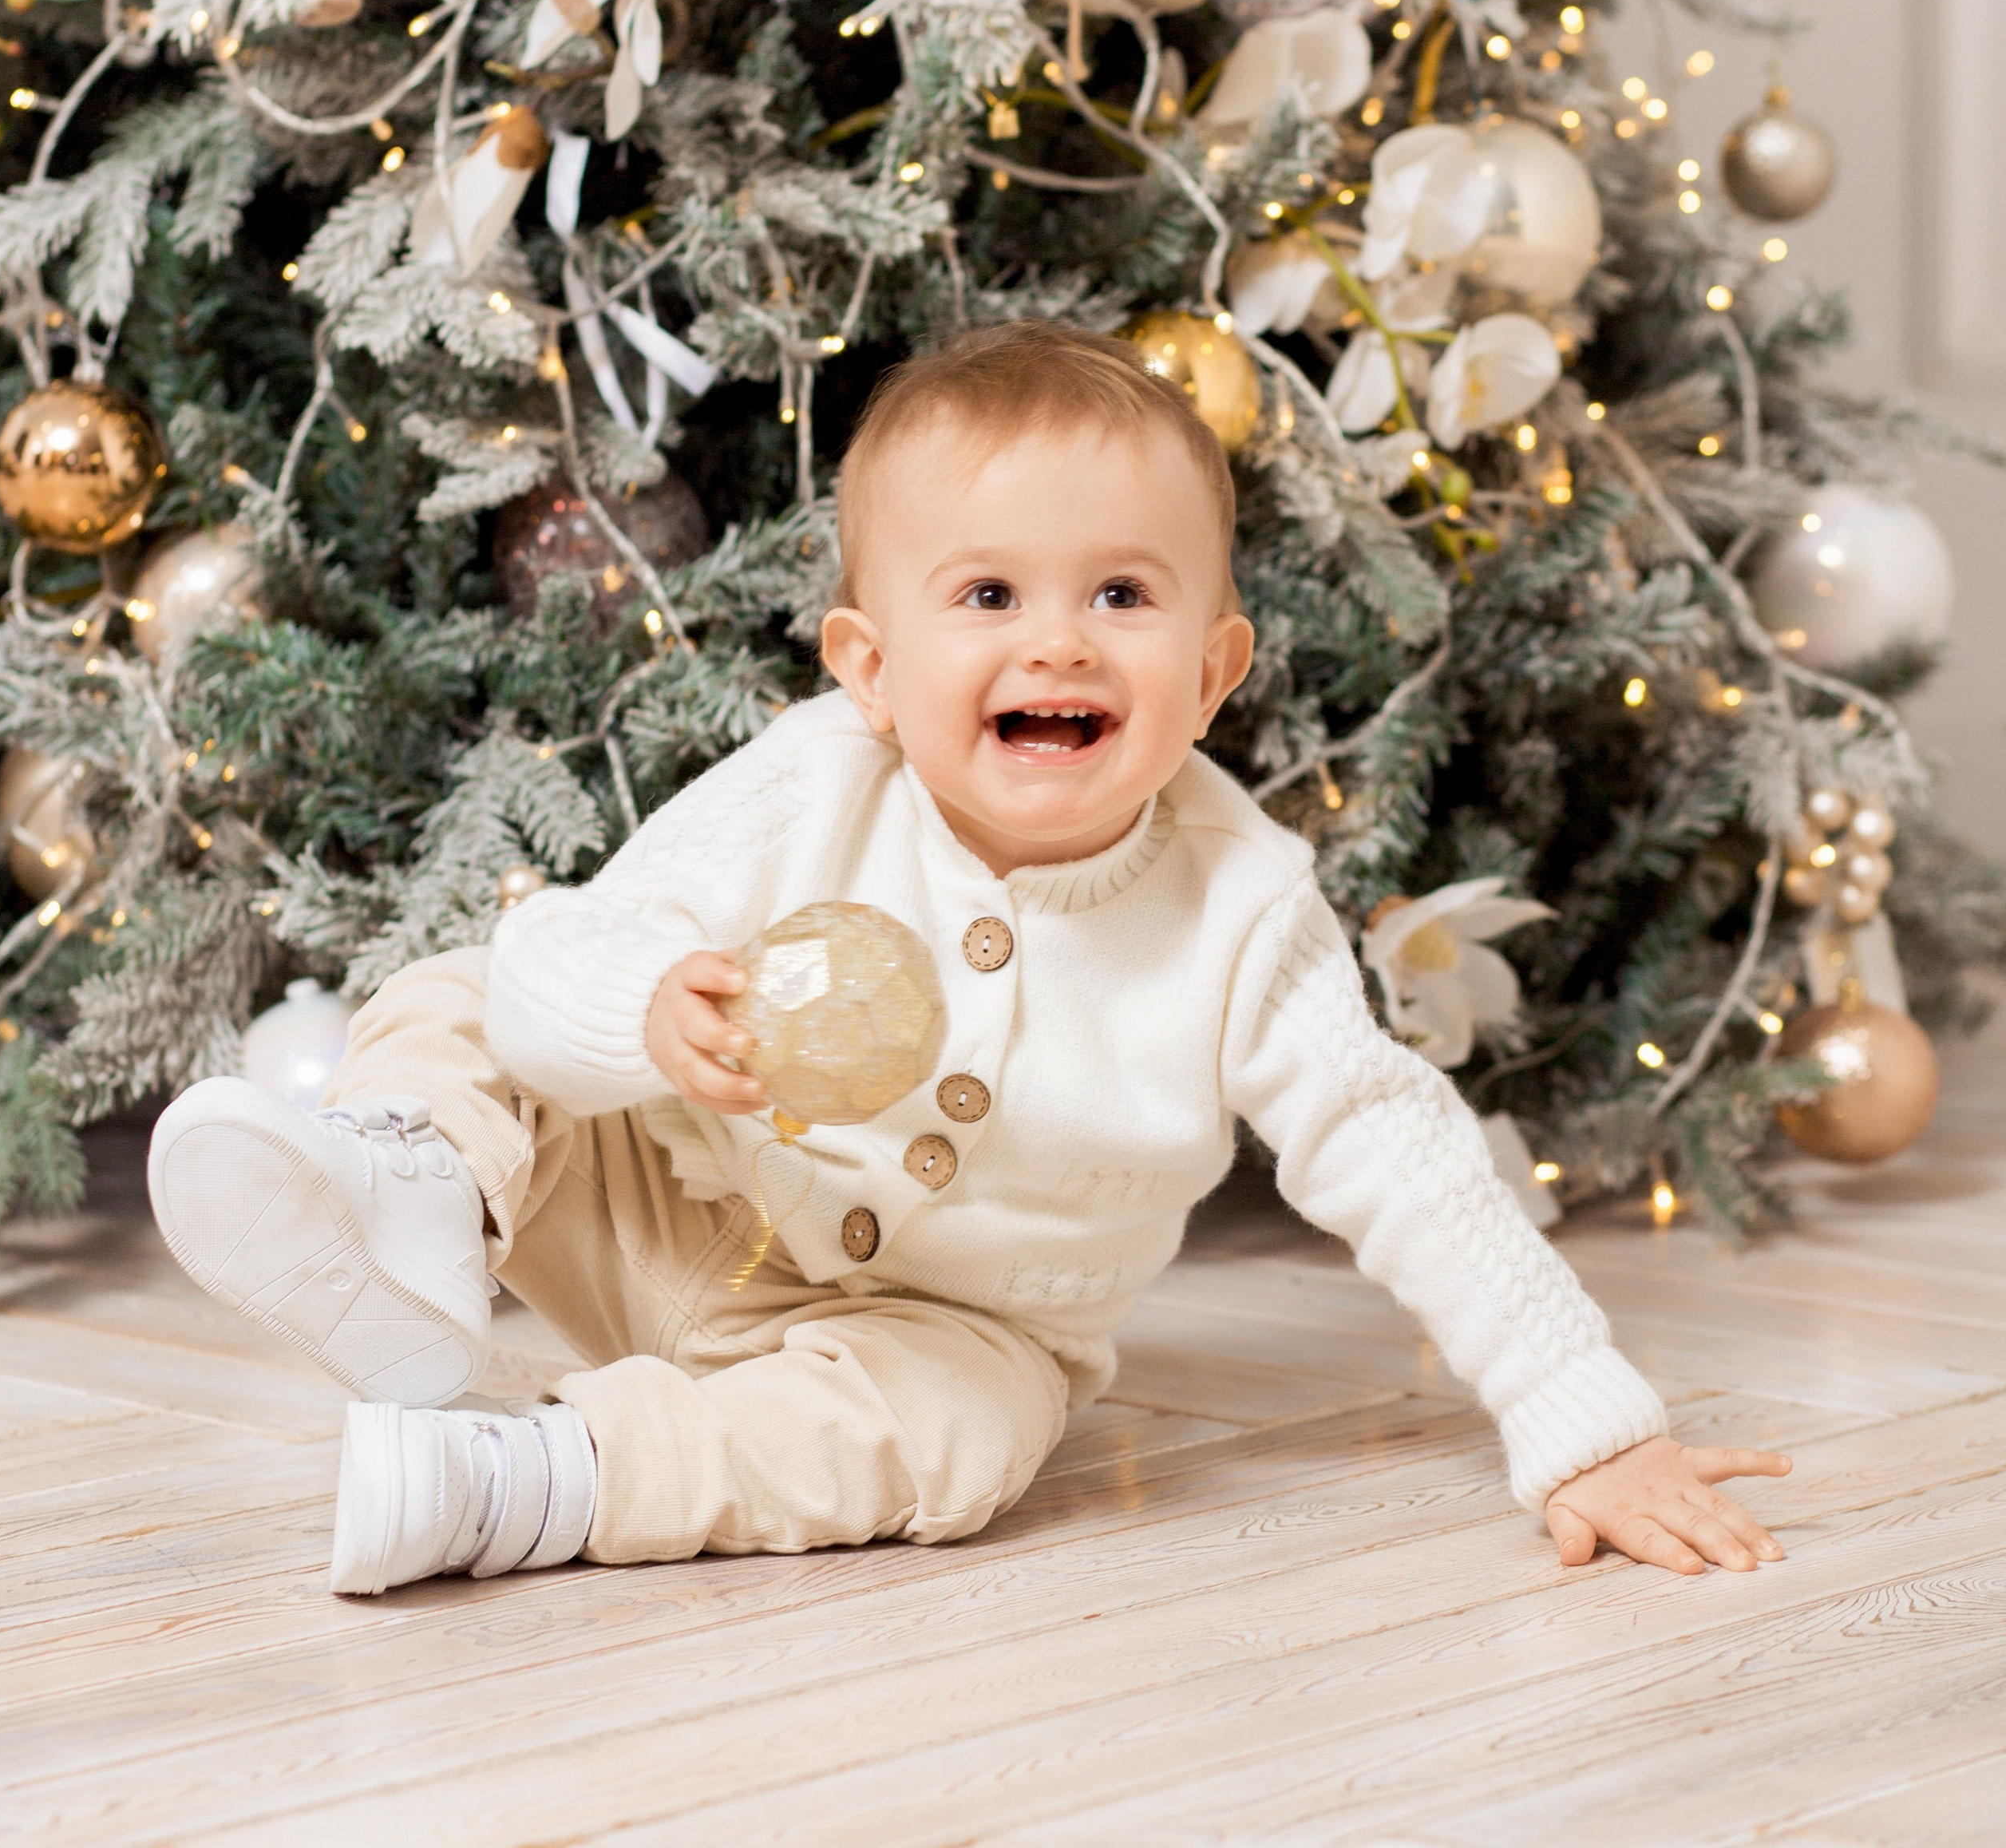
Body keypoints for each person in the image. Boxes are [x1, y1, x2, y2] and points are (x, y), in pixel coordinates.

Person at [148, 322, 1790, 1595]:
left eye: (1122, 596)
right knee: (472, 990)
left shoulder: (1241, 909)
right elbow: (582, 955)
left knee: (955, 1445)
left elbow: (1394, 1144)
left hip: (937, 1322)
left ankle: (530, 1481)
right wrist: (643, 1020)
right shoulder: (812, 777)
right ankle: (415, 1205)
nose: (1057, 640)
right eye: (989, 592)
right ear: (869, 665)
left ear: (1213, 672)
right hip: (652, 1192)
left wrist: (1582, 1424)